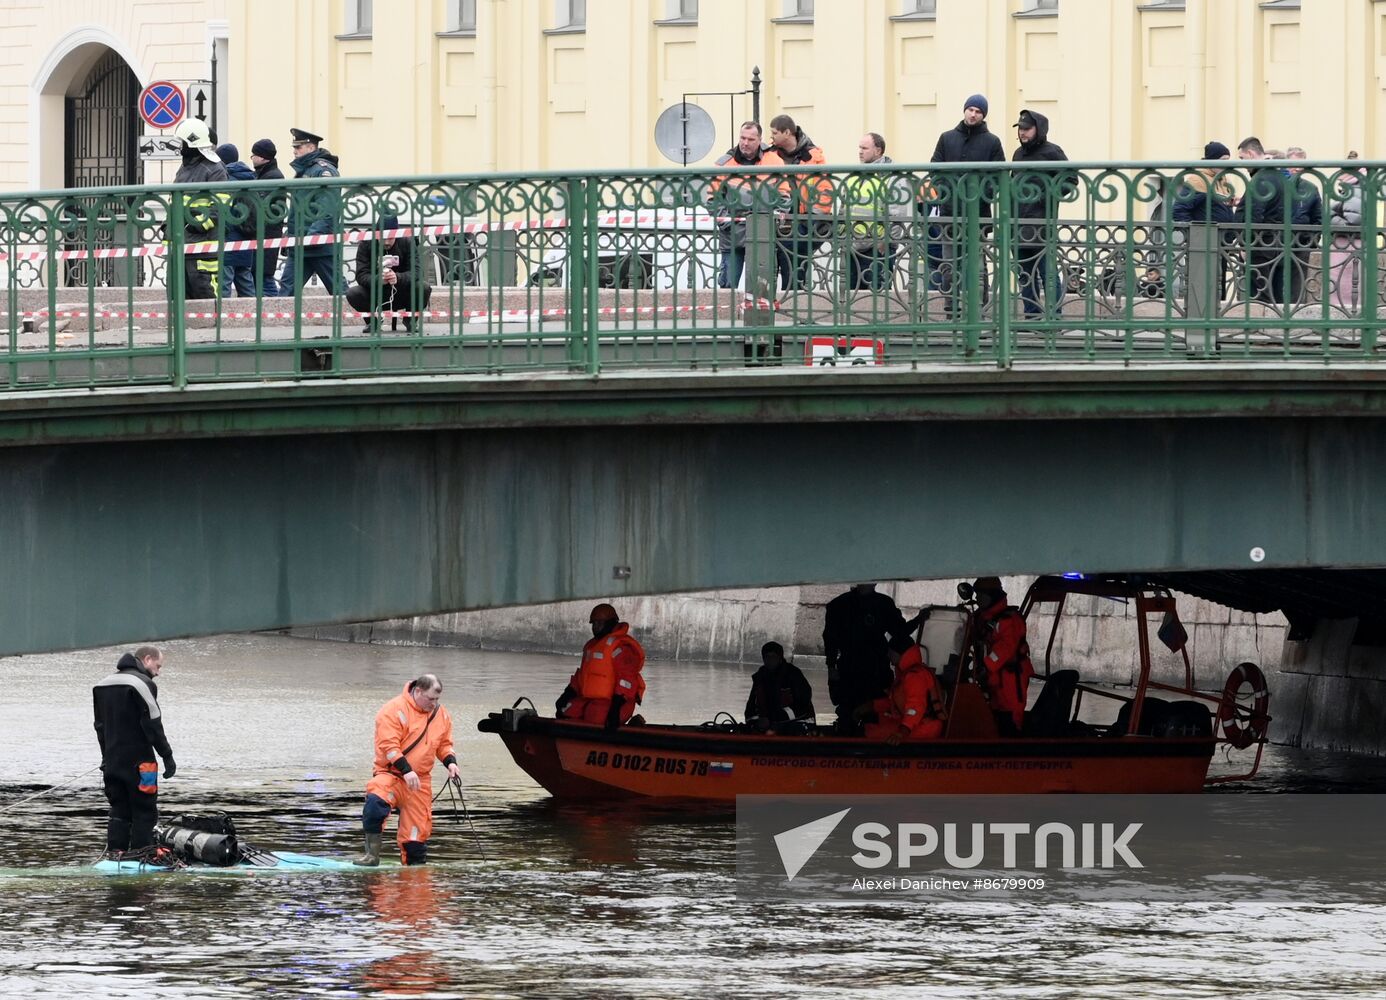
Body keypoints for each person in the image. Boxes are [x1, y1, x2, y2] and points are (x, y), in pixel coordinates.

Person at [357, 673, 460, 866]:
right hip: (390, 775)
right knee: (375, 805)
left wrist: (451, 763)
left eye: (437, 699)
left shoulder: (441, 714)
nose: (434, 704)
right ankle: (371, 856)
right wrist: (406, 770)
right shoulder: (392, 710)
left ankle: (415, 873)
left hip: (419, 780)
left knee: (416, 835)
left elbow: (444, 744)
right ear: (418, 691)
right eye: (431, 699)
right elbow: (388, 747)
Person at [93, 646, 176, 858]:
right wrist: (167, 756)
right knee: (145, 810)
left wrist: (105, 757)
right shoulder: (142, 683)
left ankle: (116, 854)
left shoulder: (102, 685)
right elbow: (153, 724)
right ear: (147, 659)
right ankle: (143, 855)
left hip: (111, 764)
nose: (158, 672)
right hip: (141, 763)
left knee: (119, 811)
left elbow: (100, 726)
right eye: (158, 666)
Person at [927, 94, 1005, 312]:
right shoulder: (947, 137)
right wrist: (945, 192)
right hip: (949, 212)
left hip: (977, 214)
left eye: (978, 111)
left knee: (977, 265)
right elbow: (935, 168)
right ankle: (951, 308)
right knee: (949, 265)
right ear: (964, 111)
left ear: (983, 116)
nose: (973, 114)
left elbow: (998, 176)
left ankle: (979, 308)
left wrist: (981, 194)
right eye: (970, 109)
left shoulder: (992, 142)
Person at [822, 583, 915, 734]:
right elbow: (830, 639)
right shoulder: (839, 605)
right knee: (848, 710)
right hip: (851, 668)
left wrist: (919, 620)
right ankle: (847, 737)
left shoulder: (884, 604)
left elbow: (900, 631)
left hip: (875, 668)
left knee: (875, 709)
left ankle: (869, 738)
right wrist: (831, 666)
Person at [1011, 109, 1072, 322]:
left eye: (1026, 129)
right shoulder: (1018, 155)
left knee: (1048, 275)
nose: (1022, 133)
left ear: (1039, 129)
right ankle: (1032, 318)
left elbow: (1070, 181)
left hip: (1042, 224)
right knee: (1025, 276)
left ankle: (1053, 319)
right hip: (1018, 224)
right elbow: (1011, 185)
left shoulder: (1053, 152)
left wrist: (1044, 196)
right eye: (1020, 128)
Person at [760, 114, 830, 291]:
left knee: (794, 267)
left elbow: (825, 191)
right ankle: (769, 309)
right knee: (767, 269)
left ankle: (792, 305)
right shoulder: (770, 154)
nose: (772, 137)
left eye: (775, 133)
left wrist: (810, 221)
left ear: (787, 133)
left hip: (802, 222)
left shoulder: (813, 156)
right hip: (774, 220)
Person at [556, 604, 646, 729]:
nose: (595, 627)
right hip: (590, 700)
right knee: (565, 711)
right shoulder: (591, 646)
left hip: (618, 702)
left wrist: (616, 706)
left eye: (599, 623)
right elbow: (582, 675)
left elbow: (627, 681)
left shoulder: (621, 647)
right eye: (594, 623)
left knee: (595, 716)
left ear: (610, 623)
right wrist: (567, 693)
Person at [277, 127, 342, 296]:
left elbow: (327, 211)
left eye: (298, 147)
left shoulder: (323, 171)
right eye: (294, 147)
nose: (294, 151)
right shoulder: (304, 171)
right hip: (300, 243)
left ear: (311, 148)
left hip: (317, 245)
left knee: (339, 290)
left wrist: (311, 237)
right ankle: (275, 323)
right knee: (286, 289)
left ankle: (369, 319)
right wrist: (290, 236)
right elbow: (298, 211)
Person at [170, 117, 230, 300]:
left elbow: (219, 209)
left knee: (207, 303)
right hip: (181, 247)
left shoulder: (215, 170)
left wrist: (190, 224)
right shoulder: (185, 168)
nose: (179, 146)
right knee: (180, 304)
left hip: (203, 249)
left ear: (192, 143)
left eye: (183, 142)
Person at [1171, 141, 1236, 301]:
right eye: (1223, 161)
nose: (1226, 165)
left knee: (1218, 283)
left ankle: (1216, 319)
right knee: (1204, 287)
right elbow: (1179, 211)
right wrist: (1196, 234)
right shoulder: (1198, 180)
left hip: (1221, 243)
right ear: (1211, 160)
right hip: (1205, 243)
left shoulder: (1223, 180)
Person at [345, 215, 433, 332]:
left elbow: (417, 272)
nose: (386, 242)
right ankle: (373, 322)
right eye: (382, 237)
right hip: (376, 294)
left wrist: (398, 277)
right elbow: (361, 275)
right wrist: (378, 280)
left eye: (390, 238)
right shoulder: (366, 244)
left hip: (403, 292)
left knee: (423, 287)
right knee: (353, 293)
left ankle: (410, 320)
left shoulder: (407, 242)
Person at [707, 121, 767, 289]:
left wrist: (773, 224)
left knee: (760, 289)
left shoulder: (773, 160)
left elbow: (784, 196)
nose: (745, 143)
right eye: (742, 138)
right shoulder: (724, 163)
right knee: (728, 286)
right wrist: (727, 224)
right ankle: (726, 316)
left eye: (750, 139)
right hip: (732, 236)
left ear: (760, 140)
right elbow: (712, 200)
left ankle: (756, 316)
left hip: (762, 234)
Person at [971, 577, 1034, 737]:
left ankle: (1013, 748)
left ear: (991, 596)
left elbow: (1004, 648)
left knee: (1011, 714)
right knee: (994, 714)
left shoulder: (1008, 620)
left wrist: (985, 666)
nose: (977, 599)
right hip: (994, 678)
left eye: (980, 595)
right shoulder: (983, 617)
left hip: (1011, 677)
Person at [854, 634, 946, 744]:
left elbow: (915, 707)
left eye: (890, 653)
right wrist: (872, 706)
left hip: (924, 728)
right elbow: (896, 704)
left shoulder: (915, 676)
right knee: (873, 721)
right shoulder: (905, 674)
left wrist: (902, 731)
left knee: (871, 732)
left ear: (898, 653)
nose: (888, 656)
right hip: (913, 724)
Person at [1233, 136, 1293, 305]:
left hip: (1260, 243)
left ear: (1251, 154)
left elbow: (1255, 214)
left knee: (1259, 292)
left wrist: (1245, 244)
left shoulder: (1261, 178)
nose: (1242, 164)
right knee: (1273, 290)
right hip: (1276, 240)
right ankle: (1275, 327)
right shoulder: (1278, 175)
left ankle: (1260, 328)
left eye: (1242, 158)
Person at [842, 132, 904, 291]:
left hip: (876, 250)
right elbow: (843, 211)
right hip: (852, 248)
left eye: (865, 148)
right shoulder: (855, 176)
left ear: (878, 151)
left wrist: (886, 244)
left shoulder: (891, 177)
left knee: (878, 302)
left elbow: (897, 216)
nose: (860, 151)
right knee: (852, 302)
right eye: (859, 148)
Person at [215, 143, 261, 298]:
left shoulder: (225, 182)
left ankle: (222, 319)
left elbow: (224, 214)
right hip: (247, 243)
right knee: (247, 285)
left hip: (229, 243)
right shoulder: (250, 180)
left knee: (224, 288)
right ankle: (254, 318)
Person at [744, 641, 815, 732]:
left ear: (780, 658)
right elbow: (750, 709)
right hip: (769, 726)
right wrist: (755, 723)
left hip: (799, 724)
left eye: (773, 657)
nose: (769, 660)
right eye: (767, 657)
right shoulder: (760, 678)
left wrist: (773, 719)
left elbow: (802, 706)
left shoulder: (793, 675)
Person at [1285, 146, 1324, 305]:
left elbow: (1318, 218)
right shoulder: (1278, 185)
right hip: (1276, 240)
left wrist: (1312, 241)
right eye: (1293, 163)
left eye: (1299, 164)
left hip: (1302, 242)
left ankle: (1295, 313)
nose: (1296, 168)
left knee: (1298, 282)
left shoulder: (1310, 188)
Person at [1328, 151, 1363, 314]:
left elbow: (1352, 223)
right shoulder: (1354, 189)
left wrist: (1329, 216)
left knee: (1344, 290)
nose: (1339, 178)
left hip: (1347, 246)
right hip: (1347, 246)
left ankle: (1343, 321)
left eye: (1341, 173)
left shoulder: (1354, 191)